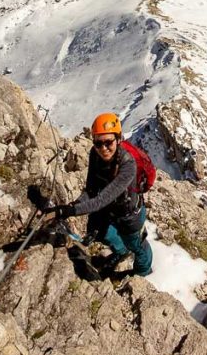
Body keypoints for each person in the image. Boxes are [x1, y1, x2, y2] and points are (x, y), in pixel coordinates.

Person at [51, 112, 153, 277]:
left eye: (108, 142)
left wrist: (67, 211)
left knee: (137, 245)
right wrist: (73, 205)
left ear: (118, 139)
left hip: (129, 216)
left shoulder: (128, 165)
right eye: (98, 143)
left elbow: (101, 199)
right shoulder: (95, 154)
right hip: (111, 210)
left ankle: (144, 272)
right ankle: (121, 252)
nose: (103, 148)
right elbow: (91, 190)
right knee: (102, 234)